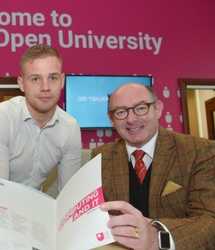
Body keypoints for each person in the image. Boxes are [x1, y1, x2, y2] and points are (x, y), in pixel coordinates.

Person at [92, 82, 215, 249]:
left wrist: (157, 236)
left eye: (141, 108)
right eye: (121, 112)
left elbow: (209, 220)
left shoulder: (199, 151)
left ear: (158, 108)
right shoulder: (100, 156)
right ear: (111, 119)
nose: (131, 119)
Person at [0, 44, 82, 194]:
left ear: (62, 81)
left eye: (53, 78)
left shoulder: (71, 127)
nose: (45, 87)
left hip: (34, 205)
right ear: (21, 84)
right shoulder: (2, 116)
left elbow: (70, 195)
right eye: (36, 79)